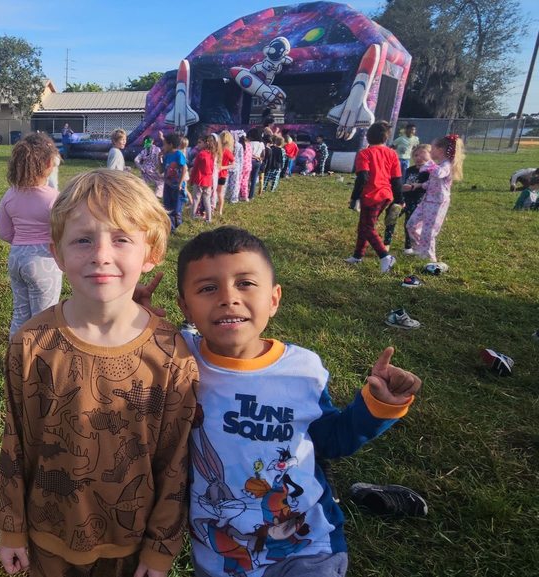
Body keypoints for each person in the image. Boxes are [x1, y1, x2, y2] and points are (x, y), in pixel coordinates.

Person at [174, 226, 422, 577]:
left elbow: (333, 439)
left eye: (245, 283)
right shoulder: (177, 359)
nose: (228, 297)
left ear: (274, 299)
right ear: (184, 304)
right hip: (220, 555)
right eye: (208, 288)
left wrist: (377, 407)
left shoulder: (302, 369)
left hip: (307, 548)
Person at [0, 169, 198, 577]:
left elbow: (176, 462)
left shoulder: (171, 354)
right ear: (57, 253)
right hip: (46, 538)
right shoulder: (31, 342)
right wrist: (12, 529)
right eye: (83, 239)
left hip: (130, 545)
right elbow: (14, 443)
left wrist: (160, 549)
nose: (101, 254)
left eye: (121, 239)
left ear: (151, 252)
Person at [0, 132, 64, 338]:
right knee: (44, 319)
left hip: (16, 257)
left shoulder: (10, 195)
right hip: (44, 261)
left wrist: (22, 242)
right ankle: (38, 365)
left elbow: (4, 232)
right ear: (47, 164)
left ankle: (14, 358)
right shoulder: (55, 199)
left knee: (20, 313)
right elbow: (63, 234)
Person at [345, 121, 401, 273]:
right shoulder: (392, 154)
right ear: (386, 138)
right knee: (363, 226)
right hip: (386, 195)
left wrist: (354, 197)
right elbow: (396, 179)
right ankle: (357, 256)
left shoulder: (365, 153)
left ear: (368, 137)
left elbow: (362, 177)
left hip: (371, 195)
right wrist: (400, 200)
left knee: (367, 227)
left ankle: (385, 257)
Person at [406, 134, 465, 265]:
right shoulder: (439, 164)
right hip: (427, 200)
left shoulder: (446, 165)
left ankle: (429, 258)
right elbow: (433, 182)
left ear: (440, 150)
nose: (430, 151)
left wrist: (429, 163)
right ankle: (420, 249)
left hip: (438, 202)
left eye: (432, 148)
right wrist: (419, 185)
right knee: (411, 224)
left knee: (429, 231)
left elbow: (440, 174)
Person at [162, 132, 188, 231]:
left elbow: (184, 169)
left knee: (176, 208)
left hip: (177, 186)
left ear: (170, 145)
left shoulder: (178, 154)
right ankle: (170, 227)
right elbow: (161, 170)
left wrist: (180, 184)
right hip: (168, 184)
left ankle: (176, 225)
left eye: (164, 144)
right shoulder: (167, 155)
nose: (163, 146)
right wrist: (159, 158)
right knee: (167, 206)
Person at [190, 134, 216, 223]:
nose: (198, 145)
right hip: (208, 181)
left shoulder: (201, 154)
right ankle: (209, 219)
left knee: (196, 199)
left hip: (199, 180)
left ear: (206, 143)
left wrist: (191, 180)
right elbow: (212, 169)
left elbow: (195, 168)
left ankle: (192, 216)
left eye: (200, 143)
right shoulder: (212, 154)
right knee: (207, 200)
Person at [135, 134, 165, 198]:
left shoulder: (144, 151)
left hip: (145, 171)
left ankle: (144, 194)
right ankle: (157, 194)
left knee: (143, 184)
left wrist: (140, 168)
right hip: (153, 171)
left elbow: (136, 160)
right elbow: (159, 160)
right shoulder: (156, 149)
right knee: (161, 182)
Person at [216, 131, 236, 214]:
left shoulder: (217, 151)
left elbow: (233, 164)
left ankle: (214, 208)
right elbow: (233, 165)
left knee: (214, 192)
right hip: (222, 175)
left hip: (217, 174)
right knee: (219, 193)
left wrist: (222, 167)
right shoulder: (228, 152)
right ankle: (219, 210)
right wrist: (224, 167)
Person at [247, 128, 266, 200]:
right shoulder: (261, 144)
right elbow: (263, 154)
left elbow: (248, 154)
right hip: (258, 162)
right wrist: (260, 158)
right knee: (254, 179)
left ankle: (245, 192)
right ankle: (251, 196)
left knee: (247, 178)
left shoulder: (250, 143)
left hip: (250, 161)